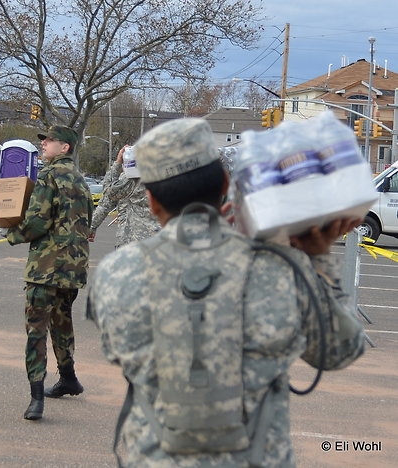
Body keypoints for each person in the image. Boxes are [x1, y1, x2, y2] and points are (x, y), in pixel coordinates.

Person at [88, 118, 365, 467]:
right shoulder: (280, 267)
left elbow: (117, 351)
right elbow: (340, 352)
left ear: (151, 199)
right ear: (224, 183)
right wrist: (317, 259)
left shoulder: (115, 273)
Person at [5, 125, 93, 421]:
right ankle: (68, 378)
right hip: (73, 268)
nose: (43, 144)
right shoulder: (81, 180)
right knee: (61, 322)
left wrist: (13, 233)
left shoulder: (49, 175)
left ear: (65, 147)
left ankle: (36, 397)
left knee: (36, 329)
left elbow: (37, 221)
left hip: (46, 267)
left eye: (50, 141)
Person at [89, 144, 160, 248]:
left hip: (130, 241)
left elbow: (108, 195)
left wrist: (117, 163)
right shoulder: (164, 178)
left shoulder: (130, 180)